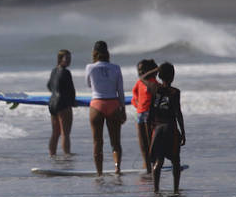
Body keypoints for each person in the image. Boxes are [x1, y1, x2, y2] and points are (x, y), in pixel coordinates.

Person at [85, 40, 125, 176]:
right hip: (113, 104)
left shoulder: (90, 67)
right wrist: (123, 110)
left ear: (94, 52)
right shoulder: (116, 68)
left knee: (97, 142)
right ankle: (117, 168)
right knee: (116, 142)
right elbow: (120, 90)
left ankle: (99, 173)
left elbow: (89, 85)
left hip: (97, 104)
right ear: (107, 52)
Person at [147, 62, 186, 192]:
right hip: (170, 128)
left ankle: (156, 190)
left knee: (158, 161)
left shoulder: (153, 88)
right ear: (173, 76)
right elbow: (178, 113)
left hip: (157, 129)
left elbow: (142, 78)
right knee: (175, 161)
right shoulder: (175, 92)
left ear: (159, 75)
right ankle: (175, 189)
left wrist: (156, 69)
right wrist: (183, 132)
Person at [132, 59, 159, 172]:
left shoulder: (153, 83)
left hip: (150, 114)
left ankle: (153, 164)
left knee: (150, 142)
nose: (140, 72)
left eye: (143, 70)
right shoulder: (139, 83)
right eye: (139, 70)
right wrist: (137, 105)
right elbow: (135, 97)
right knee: (142, 142)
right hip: (140, 114)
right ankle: (147, 166)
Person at [46, 50, 76, 156]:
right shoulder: (66, 72)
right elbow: (71, 90)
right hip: (63, 104)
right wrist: (73, 102)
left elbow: (49, 86)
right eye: (66, 58)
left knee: (55, 133)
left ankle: (51, 154)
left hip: (52, 103)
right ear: (60, 59)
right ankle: (67, 156)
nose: (68, 61)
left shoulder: (54, 71)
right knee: (65, 133)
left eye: (69, 58)